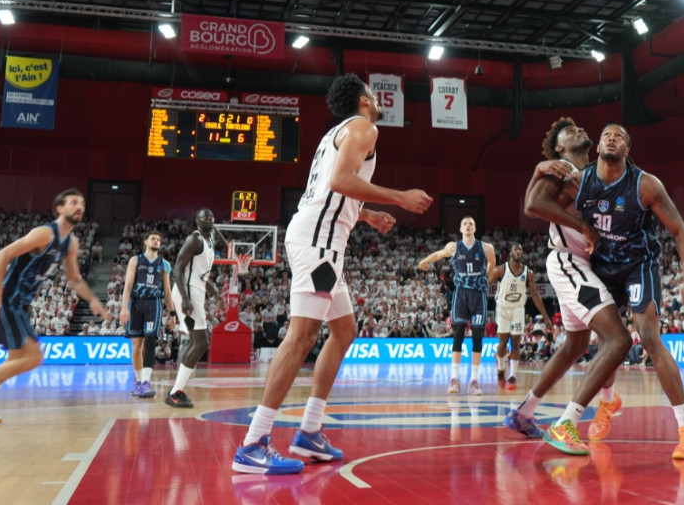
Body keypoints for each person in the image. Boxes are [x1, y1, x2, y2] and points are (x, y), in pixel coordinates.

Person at [231, 73, 432, 476]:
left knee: (344, 330)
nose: (377, 99)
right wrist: (399, 197)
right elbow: (341, 181)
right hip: (318, 243)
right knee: (302, 335)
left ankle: (309, 431)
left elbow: (332, 191)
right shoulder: (364, 128)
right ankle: (253, 442)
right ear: (364, 99)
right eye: (373, 93)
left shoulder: (336, 134)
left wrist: (368, 215)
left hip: (320, 239)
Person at [569, 124, 684, 458]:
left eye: (619, 136)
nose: (612, 138)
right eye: (606, 135)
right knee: (606, 341)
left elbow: (679, 229)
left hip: (638, 266)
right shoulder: (580, 180)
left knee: (648, 337)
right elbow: (538, 202)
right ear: (597, 146)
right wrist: (545, 167)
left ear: (628, 149)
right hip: (601, 268)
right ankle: (607, 402)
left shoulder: (645, 185)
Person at [508, 117, 626, 450]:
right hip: (568, 262)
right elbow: (533, 205)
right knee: (616, 337)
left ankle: (524, 412)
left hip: (582, 265)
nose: (580, 131)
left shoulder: (590, 173)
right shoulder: (561, 168)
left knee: (575, 345)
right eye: (570, 132)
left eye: (579, 128)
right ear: (560, 147)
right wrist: (582, 226)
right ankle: (574, 419)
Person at [0, 189, 109, 425]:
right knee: (34, 357)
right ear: (60, 208)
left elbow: (75, 279)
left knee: (15, 360)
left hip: (21, 304)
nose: (79, 207)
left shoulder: (71, 242)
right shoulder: (45, 233)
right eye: (73, 202)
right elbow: (2, 255)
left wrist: (93, 299)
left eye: (82, 203)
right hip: (9, 300)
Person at [419, 217, 497, 395]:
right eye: (465, 224)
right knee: (458, 335)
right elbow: (438, 254)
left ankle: (474, 381)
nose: (468, 226)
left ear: (475, 228)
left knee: (477, 337)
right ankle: (454, 379)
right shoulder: (453, 247)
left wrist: (486, 278)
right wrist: (425, 260)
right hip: (461, 294)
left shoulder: (487, 248)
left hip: (478, 295)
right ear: (461, 229)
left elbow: (492, 263)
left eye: (471, 224)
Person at [166, 209, 218, 409]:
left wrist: (214, 291)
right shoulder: (194, 240)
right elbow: (177, 269)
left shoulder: (210, 242)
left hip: (197, 290)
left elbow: (201, 274)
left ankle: (176, 391)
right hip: (187, 292)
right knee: (201, 342)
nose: (209, 219)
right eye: (204, 217)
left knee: (199, 342)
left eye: (211, 217)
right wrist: (185, 298)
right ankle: (175, 392)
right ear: (197, 221)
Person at [120, 230, 174, 398]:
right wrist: (124, 308)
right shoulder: (135, 260)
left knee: (150, 340)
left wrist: (172, 314)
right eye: (153, 238)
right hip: (136, 303)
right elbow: (128, 285)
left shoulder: (164, 264)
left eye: (158, 239)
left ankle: (145, 382)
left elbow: (167, 291)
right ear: (145, 241)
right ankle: (138, 382)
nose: (156, 241)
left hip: (154, 304)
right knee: (137, 345)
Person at [490, 243, 548, 390]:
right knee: (502, 343)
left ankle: (512, 376)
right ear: (510, 253)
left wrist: (546, 317)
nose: (518, 252)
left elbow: (535, 295)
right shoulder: (501, 270)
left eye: (520, 250)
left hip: (518, 309)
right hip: (503, 309)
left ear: (522, 254)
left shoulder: (528, 273)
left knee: (515, 343)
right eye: (515, 249)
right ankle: (501, 369)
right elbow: (485, 283)